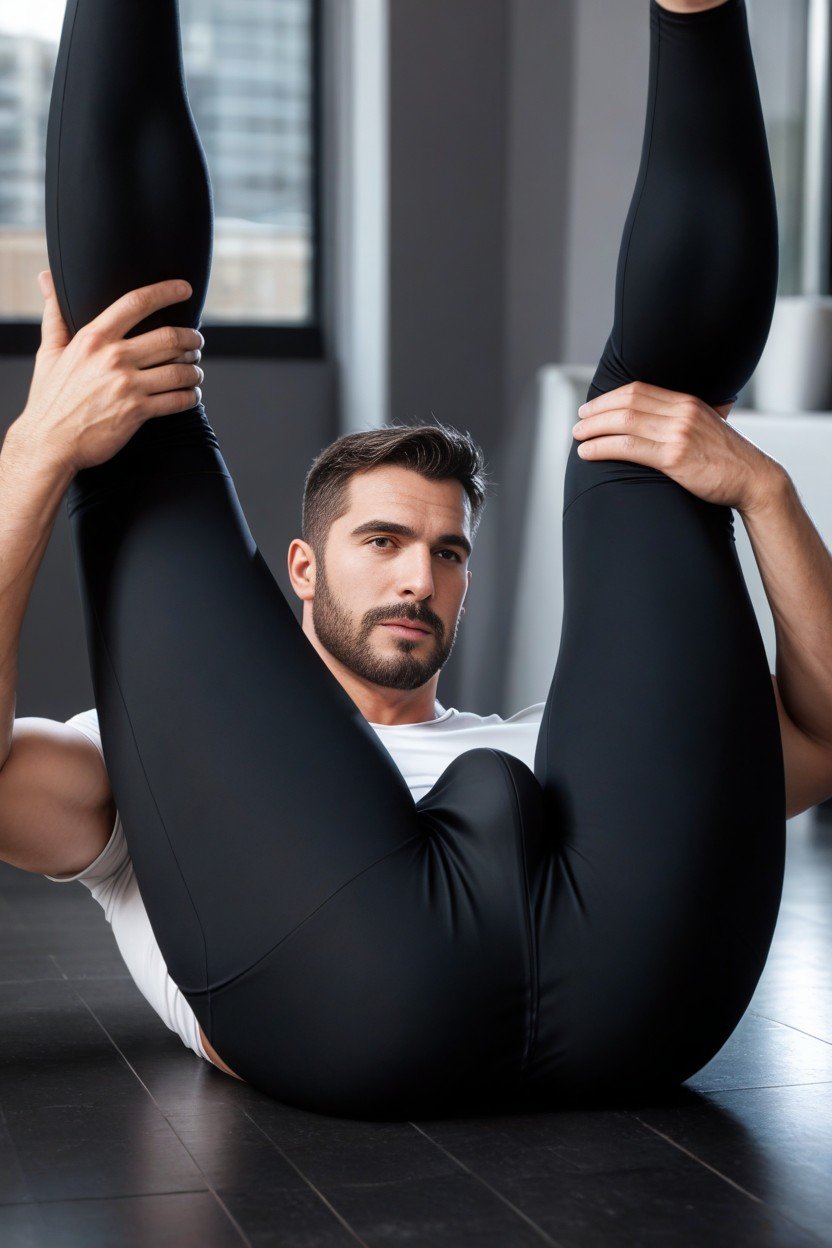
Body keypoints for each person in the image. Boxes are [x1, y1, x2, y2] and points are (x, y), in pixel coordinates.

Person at [1, 0, 831, 1117]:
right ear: (300, 568)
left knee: (654, 433)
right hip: (357, 990)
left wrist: (762, 489)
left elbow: (827, 738)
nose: (417, 577)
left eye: (447, 551)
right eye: (381, 541)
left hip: (641, 979)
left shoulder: (554, 747)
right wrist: (38, 453)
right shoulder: (136, 770)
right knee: (134, 420)